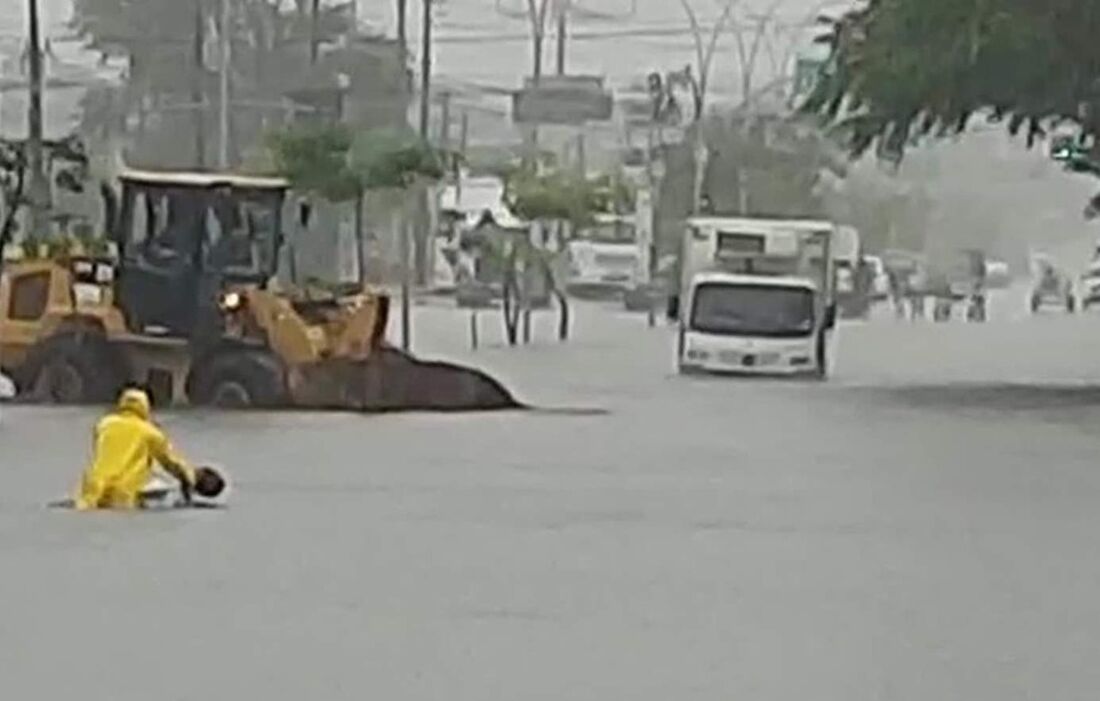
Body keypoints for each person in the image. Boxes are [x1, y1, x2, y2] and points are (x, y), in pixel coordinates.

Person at [74, 387, 216, 510]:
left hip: (92, 486)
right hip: (124, 492)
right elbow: (171, 462)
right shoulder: (151, 433)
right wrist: (189, 478)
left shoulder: (104, 424)